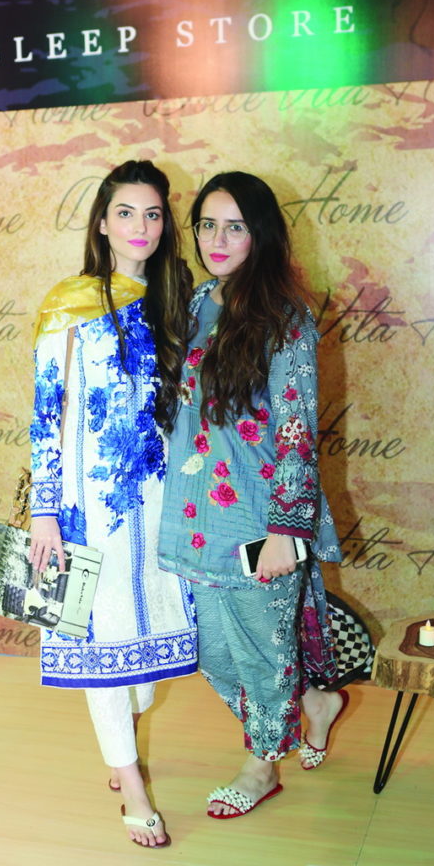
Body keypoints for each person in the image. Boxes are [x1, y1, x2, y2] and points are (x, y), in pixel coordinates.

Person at [157, 171, 347, 819]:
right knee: (211, 651)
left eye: (234, 226)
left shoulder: (285, 318)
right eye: (207, 225)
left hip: (257, 520)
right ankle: (314, 703)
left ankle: (260, 765)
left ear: (259, 234)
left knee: (262, 655)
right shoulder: (194, 303)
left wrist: (286, 531)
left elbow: (296, 431)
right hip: (194, 518)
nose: (217, 239)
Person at [29, 160, 197, 847]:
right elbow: (46, 411)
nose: (140, 227)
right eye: (126, 213)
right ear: (101, 223)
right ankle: (130, 784)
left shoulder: (174, 300)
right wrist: (44, 510)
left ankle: (121, 739)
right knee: (102, 642)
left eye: (152, 214)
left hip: (157, 501)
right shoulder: (69, 303)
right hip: (85, 506)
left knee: (145, 667)